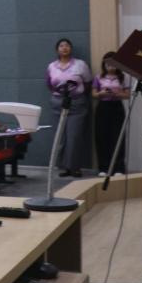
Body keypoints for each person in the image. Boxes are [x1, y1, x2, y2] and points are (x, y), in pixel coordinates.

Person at [45, 38, 91, 178]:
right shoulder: (52, 66)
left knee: (74, 136)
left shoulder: (80, 65)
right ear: (57, 50)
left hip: (76, 103)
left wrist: (76, 94)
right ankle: (64, 167)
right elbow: (49, 84)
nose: (64, 48)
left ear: (71, 48)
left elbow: (87, 82)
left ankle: (75, 167)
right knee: (60, 137)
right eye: (61, 46)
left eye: (67, 45)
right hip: (58, 103)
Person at [92, 52, 129, 176]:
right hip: (103, 107)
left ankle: (119, 168)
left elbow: (127, 95)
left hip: (117, 107)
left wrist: (116, 94)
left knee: (118, 137)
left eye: (113, 62)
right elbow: (94, 94)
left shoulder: (123, 77)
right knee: (102, 137)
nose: (110, 65)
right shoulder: (99, 77)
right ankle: (104, 168)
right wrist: (101, 93)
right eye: (107, 62)